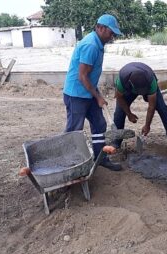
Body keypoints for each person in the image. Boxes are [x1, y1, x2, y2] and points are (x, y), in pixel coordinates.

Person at [63, 14, 123, 171]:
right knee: (74, 130)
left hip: (88, 92)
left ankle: (100, 157)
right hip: (76, 94)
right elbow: (82, 76)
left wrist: (98, 96)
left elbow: (89, 76)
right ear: (100, 28)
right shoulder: (91, 45)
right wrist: (97, 96)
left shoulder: (98, 43)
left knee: (99, 124)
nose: (112, 37)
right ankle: (69, 166)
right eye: (111, 33)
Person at [113, 62, 167, 148]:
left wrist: (147, 125)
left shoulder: (151, 82)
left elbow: (152, 106)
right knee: (119, 112)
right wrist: (129, 114)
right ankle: (116, 141)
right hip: (128, 89)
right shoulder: (122, 81)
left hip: (148, 84)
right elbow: (119, 98)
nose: (141, 93)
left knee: (162, 107)